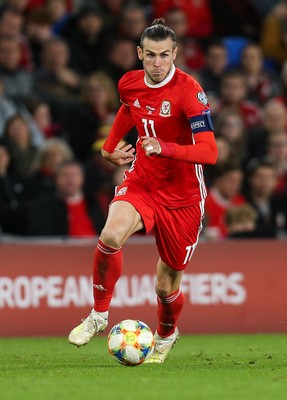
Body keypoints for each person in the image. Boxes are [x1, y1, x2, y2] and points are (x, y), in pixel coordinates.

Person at [68, 19, 218, 363]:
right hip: (143, 182)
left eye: (164, 55)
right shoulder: (130, 83)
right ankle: (99, 314)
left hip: (183, 199)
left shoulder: (190, 92)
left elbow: (210, 152)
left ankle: (166, 333)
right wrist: (109, 146)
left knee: (166, 286)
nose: (157, 63)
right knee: (110, 235)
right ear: (140, 54)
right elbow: (128, 108)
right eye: (150, 55)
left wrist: (165, 148)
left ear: (175, 53)